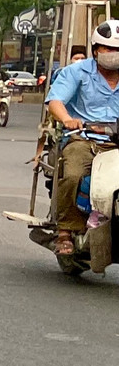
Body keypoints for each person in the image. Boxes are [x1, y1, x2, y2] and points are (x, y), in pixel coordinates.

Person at [45, 24, 119, 255]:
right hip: (83, 139)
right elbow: (55, 102)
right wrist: (67, 119)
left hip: (116, 141)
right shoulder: (76, 72)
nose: (114, 54)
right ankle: (66, 230)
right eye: (109, 49)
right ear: (96, 50)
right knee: (74, 173)